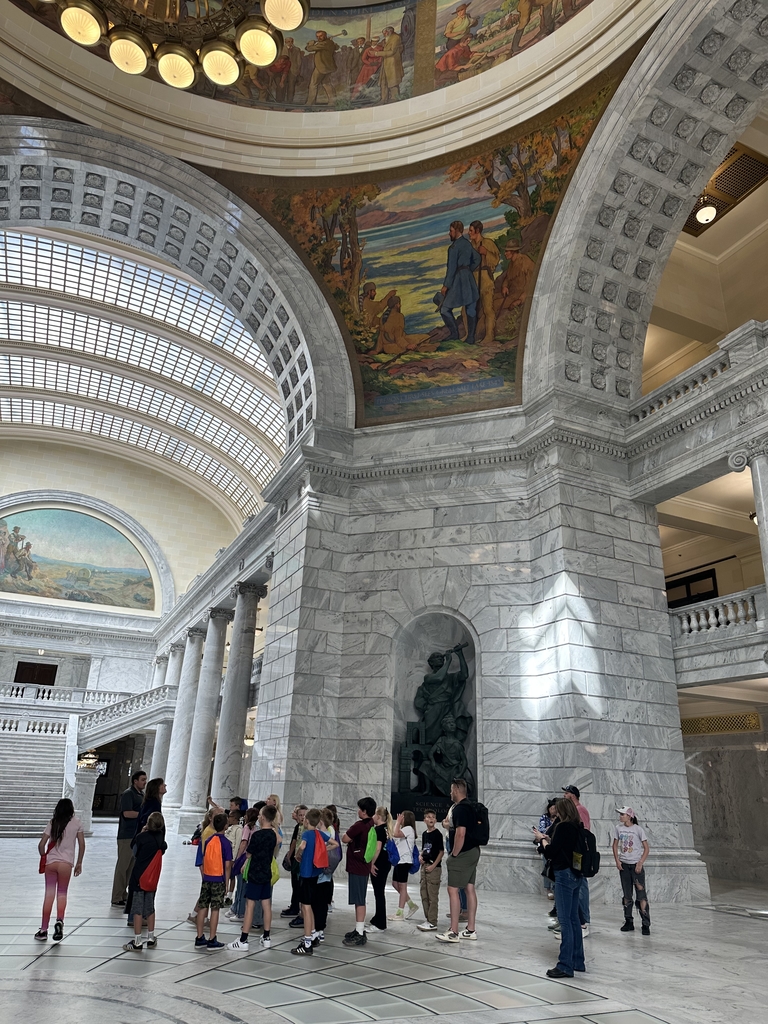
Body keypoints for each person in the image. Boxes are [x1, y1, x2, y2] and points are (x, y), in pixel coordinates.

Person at [533, 796, 585, 978]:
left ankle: (565, 965)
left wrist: (542, 841)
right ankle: (578, 961)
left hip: (563, 874)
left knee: (565, 921)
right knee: (573, 919)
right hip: (576, 873)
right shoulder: (577, 826)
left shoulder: (563, 827)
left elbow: (552, 852)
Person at [227, 804, 279, 951]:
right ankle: (266, 937)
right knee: (266, 905)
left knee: (250, 905)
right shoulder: (273, 835)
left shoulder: (257, 835)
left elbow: (249, 854)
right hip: (266, 873)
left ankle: (243, 940)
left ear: (262, 817)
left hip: (255, 873)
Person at [36, 798, 84, 942]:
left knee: (49, 895)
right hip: (66, 864)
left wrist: (44, 856)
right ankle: (59, 921)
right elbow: (82, 844)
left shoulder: (53, 822)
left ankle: (43, 930)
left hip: (51, 863)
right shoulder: (77, 823)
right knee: (62, 893)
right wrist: (79, 862)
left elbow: (41, 844)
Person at [437, 778, 479, 942]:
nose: (450, 793)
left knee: (452, 890)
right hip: (473, 851)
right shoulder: (471, 806)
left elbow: (461, 833)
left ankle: (453, 931)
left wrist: (454, 854)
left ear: (456, 790)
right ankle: (470, 929)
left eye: (451, 789)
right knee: (469, 888)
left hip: (463, 853)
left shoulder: (460, 809)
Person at [123, 811, 167, 951]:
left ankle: (137, 941)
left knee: (137, 909)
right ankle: (151, 937)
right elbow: (163, 848)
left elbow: (135, 851)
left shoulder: (141, 838)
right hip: (152, 879)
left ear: (148, 824)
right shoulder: (161, 840)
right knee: (150, 907)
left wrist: (141, 833)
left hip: (139, 877)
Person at [194, 812, 232, 951]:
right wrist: (226, 882)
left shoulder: (209, 839)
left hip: (207, 877)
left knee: (203, 906)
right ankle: (212, 939)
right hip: (218, 878)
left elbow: (204, 859)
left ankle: (199, 937)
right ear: (226, 826)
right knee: (215, 909)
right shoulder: (226, 843)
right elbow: (227, 865)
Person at [291, 807, 327, 956]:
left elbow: (302, 845)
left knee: (305, 907)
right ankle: (313, 935)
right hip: (315, 873)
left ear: (306, 820)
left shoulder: (306, 833)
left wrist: (298, 854)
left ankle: (306, 943)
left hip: (305, 874)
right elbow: (334, 843)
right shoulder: (319, 834)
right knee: (310, 906)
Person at [341, 796, 376, 946]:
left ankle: (360, 933)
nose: (358, 810)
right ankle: (358, 928)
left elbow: (344, 838)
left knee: (359, 899)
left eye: (360, 808)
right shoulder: (371, 824)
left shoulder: (359, 825)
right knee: (358, 898)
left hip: (357, 866)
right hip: (363, 865)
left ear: (364, 811)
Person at [440, 221, 481, 344]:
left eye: (451, 231)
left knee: (444, 309)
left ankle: (454, 334)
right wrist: (468, 270)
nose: (449, 233)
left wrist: (446, 285)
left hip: (458, 280)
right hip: (468, 278)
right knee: (471, 308)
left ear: (457, 231)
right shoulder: (467, 244)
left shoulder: (453, 248)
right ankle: (471, 338)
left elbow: (451, 269)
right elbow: (477, 258)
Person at [613, 806, 651, 935]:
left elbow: (646, 848)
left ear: (629, 816)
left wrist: (640, 862)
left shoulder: (638, 830)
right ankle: (628, 920)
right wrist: (617, 860)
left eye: (623, 814)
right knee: (627, 895)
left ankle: (645, 923)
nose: (620, 816)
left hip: (635, 866)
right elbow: (615, 844)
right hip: (624, 865)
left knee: (641, 895)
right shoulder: (618, 829)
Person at [111, 769, 146, 906]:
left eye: (145, 780)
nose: (144, 782)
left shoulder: (140, 794)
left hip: (136, 835)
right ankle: (116, 896)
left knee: (130, 868)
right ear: (135, 781)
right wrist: (143, 815)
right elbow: (127, 813)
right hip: (126, 835)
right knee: (122, 866)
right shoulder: (128, 794)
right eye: (142, 780)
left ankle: (123, 894)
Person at [563, 784, 590, 937]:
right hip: (572, 852)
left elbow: (584, 832)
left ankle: (584, 921)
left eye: (566, 793)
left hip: (579, 853)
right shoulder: (573, 811)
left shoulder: (581, 810)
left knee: (581, 885)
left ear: (572, 795)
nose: (564, 796)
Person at [468, 219, 500, 344]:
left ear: (477, 231)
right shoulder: (470, 246)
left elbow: (496, 260)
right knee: (468, 310)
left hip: (485, 280)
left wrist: (486, 253)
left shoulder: (488, 243)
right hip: (473, 280)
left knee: (487, 309)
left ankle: (489, 336)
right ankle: (469, 335)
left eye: (471, 231)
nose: (469, 233)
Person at [226, 806, 259, 923]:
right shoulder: (257, 828)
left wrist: (238, 857)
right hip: (252, 858)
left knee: (241, 886)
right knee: (243, 885)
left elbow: (243, 843)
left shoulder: (247, 827)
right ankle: (236, 908)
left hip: (244, 856)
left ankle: (240, 912)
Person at [315, 807, 341, 938]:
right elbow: (336, 845)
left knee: (316, 903)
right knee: (323, 905)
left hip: (318, 874)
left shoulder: (320, 834)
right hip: (327, 875)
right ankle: (321, 930)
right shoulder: (332, 831)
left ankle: (316, 929)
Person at [417, 809, 444, 931]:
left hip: (434, 867)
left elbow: (441, 852)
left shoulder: (438, 834)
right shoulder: (424, 834)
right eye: (428, 817)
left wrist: (433, 866)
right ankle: (428, 918)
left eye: (433, 817)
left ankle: (432, 921)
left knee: (432, 895)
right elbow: (425, 849)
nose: (431, 819)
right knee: (424, 894)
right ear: (424, 820)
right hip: (425, 866)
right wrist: (420, 857)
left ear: (436, 820)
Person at [389, 810, 418, 921]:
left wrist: (397, 822)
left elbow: (396, 834)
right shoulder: (403, 829)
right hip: (399, 861)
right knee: (395, 884)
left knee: (402, 886)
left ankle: (399, 913)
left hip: (405, 861)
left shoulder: (408, 829)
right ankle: (411, 905)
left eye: (402, 817)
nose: (400, 818)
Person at [281, 804, 307, 925]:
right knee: (295, 883)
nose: (302, 817)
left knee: (299, 884)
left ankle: (297, 907)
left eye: (304, 815)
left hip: (301, 858)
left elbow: (298, 842)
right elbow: (294, 842)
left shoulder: (306, 829)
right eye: (300, 815)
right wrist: (289, 855)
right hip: (296, 857)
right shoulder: (299, 827)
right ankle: (294, 905)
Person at [306, 31, 339, 105]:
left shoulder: (323, 44)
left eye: (321, 36)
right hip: (327, 67)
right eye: (317, 36)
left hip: (321, 67)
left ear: (325, 35)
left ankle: (310, 103)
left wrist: (310, 44)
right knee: (326, 83)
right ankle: (332, 101)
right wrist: (330, 40)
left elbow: (309, 49)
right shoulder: (330, 42)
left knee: (313, 84)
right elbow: (337, 47)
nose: (318, 38)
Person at [539, 799, 558, 900]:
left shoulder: (559, 819)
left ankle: (555, 888)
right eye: (551, 808)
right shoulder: (545, 817)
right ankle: (548, 889)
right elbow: (542, 830)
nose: (553, 811)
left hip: (554, 845)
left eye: (555, 808)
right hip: (545, 844)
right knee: (546, 866)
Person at [224, 809, 243, 906]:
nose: (228, 818)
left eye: (230, 816)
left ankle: (229, 896)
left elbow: (238, 844)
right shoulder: (229, 828)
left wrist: (234, 858)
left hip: (232, 857)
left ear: (235, 818)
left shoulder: (239, 829)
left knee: (231, 876)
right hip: (226, 856)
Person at [379, 27, 404, 103]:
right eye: (383, 33)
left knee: (393, 81)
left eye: (385, 32)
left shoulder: (395, 38)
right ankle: (384, 99)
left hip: (393, 63)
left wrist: (377, 53)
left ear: (390, 31)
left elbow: (392, 51)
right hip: (386, 63)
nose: (384, 34)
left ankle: (394, 98)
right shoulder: (387, 39)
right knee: (384, 81)